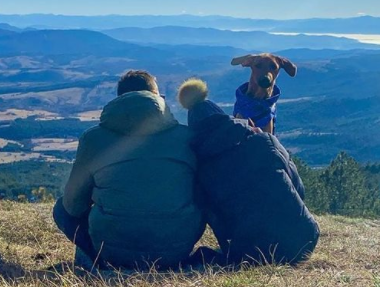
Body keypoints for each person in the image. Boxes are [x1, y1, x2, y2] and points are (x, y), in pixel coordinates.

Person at [54, 70, 204, 269]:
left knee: (61, 209)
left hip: (111, 253)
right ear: (157, 100)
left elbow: (73, 206)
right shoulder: (187, 137)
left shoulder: (93, 139)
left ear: (120, 100)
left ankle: (92, 259)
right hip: (175, 251)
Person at [177, 78, 320, 266]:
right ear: (224, 117)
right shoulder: (264, 141)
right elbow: (299, 190)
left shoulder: (201, 170)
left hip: (248, 253)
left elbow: (212, 219)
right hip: (303, 241)